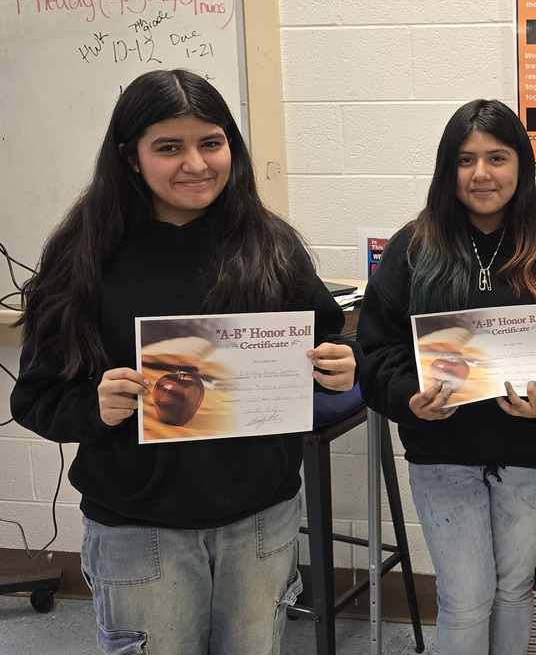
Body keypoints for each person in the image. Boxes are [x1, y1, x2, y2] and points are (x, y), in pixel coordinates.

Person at [10, 69, 360, 654]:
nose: (196, 164)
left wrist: (344, 362)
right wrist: (95, 407)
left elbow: (326, 345)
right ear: (130, 158)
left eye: (212, 143)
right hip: (141, 529)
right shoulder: (83, 259)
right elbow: (36, 399)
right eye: (169, 147)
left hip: (261, 518)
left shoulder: (270, 246)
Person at [357, 99, 536, 655]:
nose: (481, 174)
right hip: (442, 454)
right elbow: (376, 353)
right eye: (465, 159)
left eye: (496, 157)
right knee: (465, 596)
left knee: (513, 588)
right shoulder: (415, 248)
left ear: (520, 164)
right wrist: (409, 398)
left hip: (532, 455)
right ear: (446, 168)